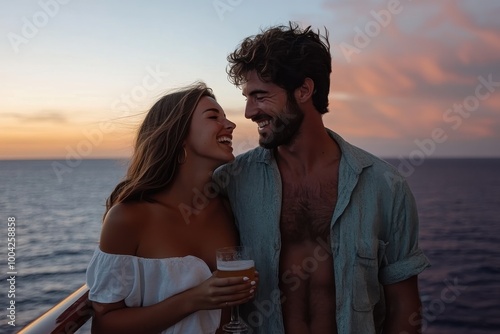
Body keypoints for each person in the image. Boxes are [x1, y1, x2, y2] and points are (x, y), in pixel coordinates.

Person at [214, 22, 431, 333]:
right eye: (247, 97)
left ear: (304, 90)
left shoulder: (386, 187)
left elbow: (403, 305)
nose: (249, 112)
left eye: (260, 96)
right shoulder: (230, 182)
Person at [86, 82, 257, 334]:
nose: (230, 125)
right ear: (179, 134)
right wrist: (194, 299)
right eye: (213, 117)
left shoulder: (229, 207)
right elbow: (104, 326)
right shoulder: (129, 218)